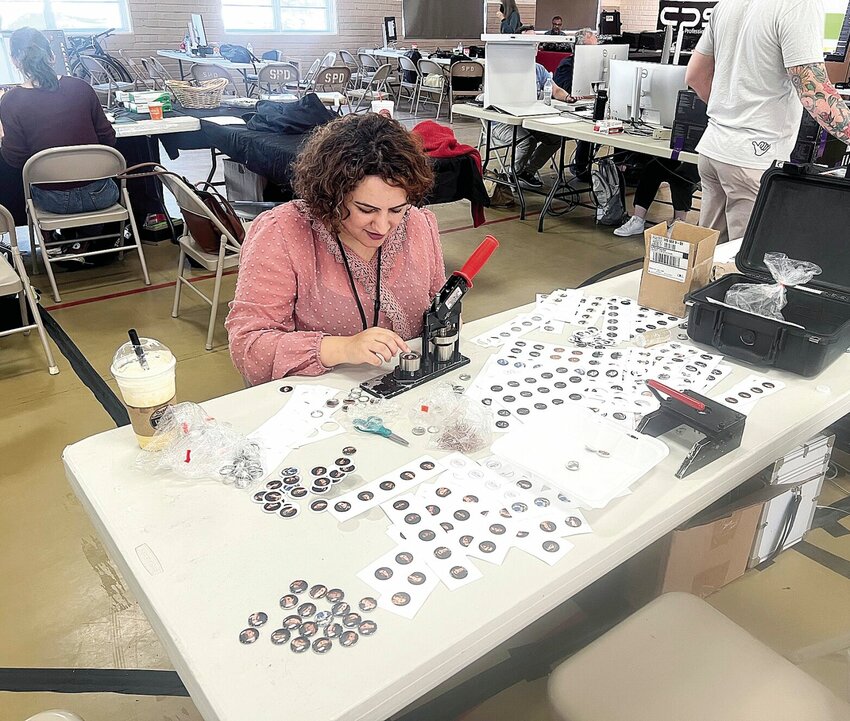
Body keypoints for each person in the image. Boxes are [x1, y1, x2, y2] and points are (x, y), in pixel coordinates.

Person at [225, 113, 446, 385]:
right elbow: (248, 347)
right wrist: (342, 348)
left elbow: (441, 306)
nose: (383, 225)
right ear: (331, 196)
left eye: (397, 209)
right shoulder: (283, 232)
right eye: (366, 209)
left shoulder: (418, 225)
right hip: (317, 402)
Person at [686, 0, 850, 243]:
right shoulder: (799, 5)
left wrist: (732, 113)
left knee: (709, 255)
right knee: (747, 263)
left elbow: (695, 76)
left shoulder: (727, 4)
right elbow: (814, 91)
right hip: (753, 159)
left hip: (714, 149)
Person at [0, 27, 119, 214]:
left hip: (52, 200)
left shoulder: (10, 101)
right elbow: (108, 138)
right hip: (101, 194)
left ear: (15, 61)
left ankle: (73, 241)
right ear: (52, 56)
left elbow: (15, 158)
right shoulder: (81, 87)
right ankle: (87, 240)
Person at [491, 63, 570, 189]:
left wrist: (567, 97)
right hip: (501, 122)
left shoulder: (539, 69)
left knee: (555, 139)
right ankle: (513, 174)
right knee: (527, 141)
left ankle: (527, 171)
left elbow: (555, 90)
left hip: (529, 119)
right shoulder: (506, 70)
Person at [553, 29, 599, 182]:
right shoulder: (567, 65)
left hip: (591, 107)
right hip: (569, 111)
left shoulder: (599, 65)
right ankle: (580, 167)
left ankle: (622, 166)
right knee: (590, 129)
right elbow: (567, 91)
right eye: (590, 48)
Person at [613, 159, 702, 236]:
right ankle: (638, 219)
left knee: (680, 177)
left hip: (702, 158)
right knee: (652, 168)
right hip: (681, 152)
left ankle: (679, 223)